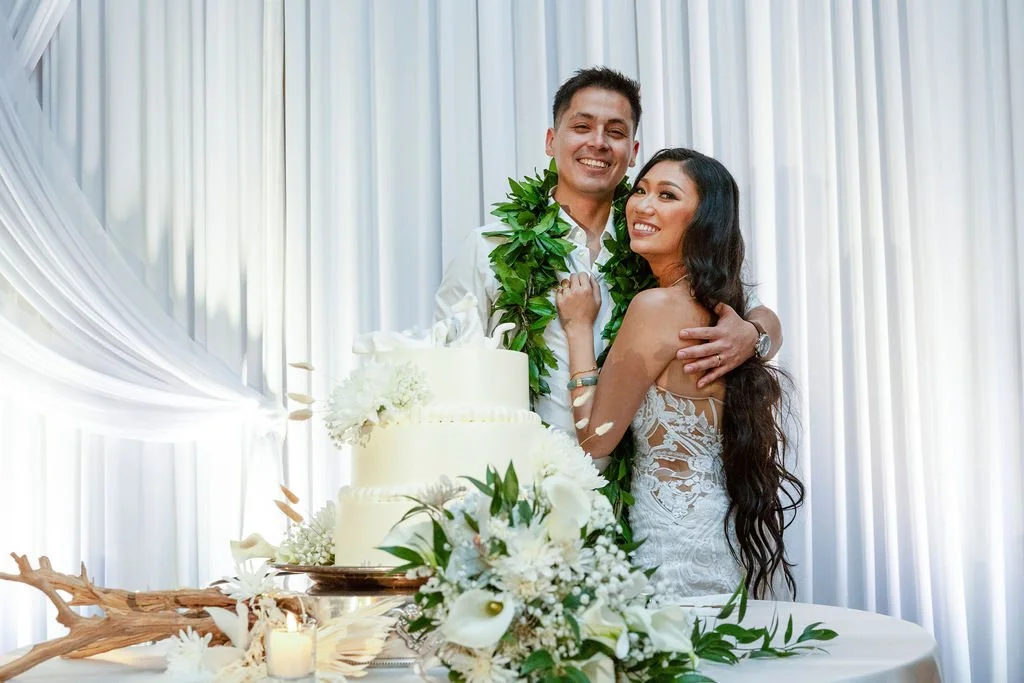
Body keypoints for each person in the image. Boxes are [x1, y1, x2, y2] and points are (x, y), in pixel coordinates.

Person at [435, 67, 782, 435]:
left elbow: (752, 310)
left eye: (615, 132)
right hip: (522, 465)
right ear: (551, 141)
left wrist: (754, 335)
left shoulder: (656, 239)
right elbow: (447, 370)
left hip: (629, 468)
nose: (598, 142)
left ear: (633, 153)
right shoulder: (491, 247)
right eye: (582, 127)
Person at [555, 148, 804, 598]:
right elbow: (767, 319)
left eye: (667, 195)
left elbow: (595, 442)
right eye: (640, 191)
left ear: (703, 220)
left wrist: (578, 329)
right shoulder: (726, 306)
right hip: (722, 535)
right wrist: (758, 331)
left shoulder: (656, 307)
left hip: (670, 549)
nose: (643, 206)